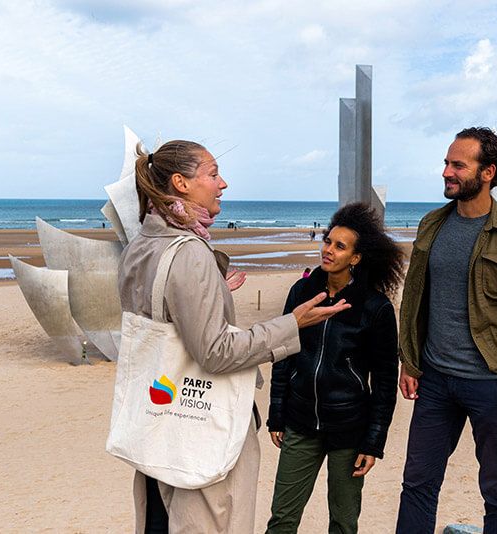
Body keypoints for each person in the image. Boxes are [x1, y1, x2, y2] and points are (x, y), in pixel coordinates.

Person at [117, 140, 350, 533]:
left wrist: (212, 291)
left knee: (160, 516)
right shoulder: (188, 252)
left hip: (158, 412)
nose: (222, 183)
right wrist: (292, 323)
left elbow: (160, 312)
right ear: (182, 183)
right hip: (197, 419)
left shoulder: (141, 244)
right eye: (212, 173)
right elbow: (216, 352)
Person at [396, 127, 497, 534]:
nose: (446, 172)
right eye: (447, 163)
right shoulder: (432, 224)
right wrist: (410, 361)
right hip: (433, 381)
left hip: (490, 384)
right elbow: (415, 297)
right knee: (417, 484)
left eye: (457, 165)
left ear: (488, 172)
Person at [266, 202, 403, 534]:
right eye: (328, 241)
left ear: (355, 258)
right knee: (282, 519)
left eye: (339, 246)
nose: (328, 249)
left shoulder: (375, 308)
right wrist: (277, 413)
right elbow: (284, 355)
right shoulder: (302, 291)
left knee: (343, 522)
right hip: (300, 423)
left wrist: (373, 442)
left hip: (350, 430)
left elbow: (385, 381)